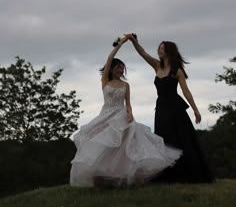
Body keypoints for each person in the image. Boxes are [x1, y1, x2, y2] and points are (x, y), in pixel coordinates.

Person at [70, 35, 182, 188]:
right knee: (103, 147)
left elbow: (128, 103)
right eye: (118, 67)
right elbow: (110, 58)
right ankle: (100, 178)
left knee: (124, 148)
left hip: (121, 116)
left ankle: (121, 178)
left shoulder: (125, 85)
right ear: (112, 69)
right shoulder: (105, 81)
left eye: (122, 68)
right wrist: (120, 44)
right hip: (105, 116)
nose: (121, 70)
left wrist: (130, 113)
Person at [126, 34, 214, 183]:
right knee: (163, 140)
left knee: (181, 140)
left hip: (176, 108)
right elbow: (142, 53)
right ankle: (168, 175)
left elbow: (186, 91)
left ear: (169, 51)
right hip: (161, 108)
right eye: (159, 48)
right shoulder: (156, 65)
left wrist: (196, 110)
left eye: (162, 48)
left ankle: (187, 174)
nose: (159, 50)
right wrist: (134, 41)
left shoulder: (177, 70)